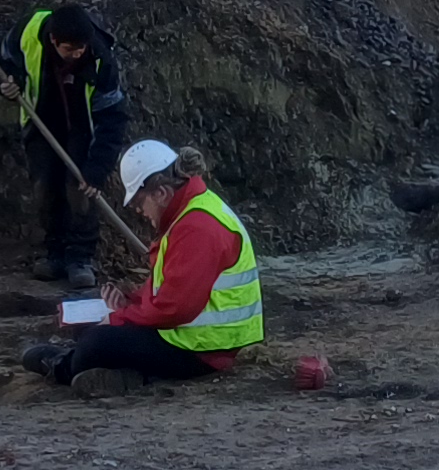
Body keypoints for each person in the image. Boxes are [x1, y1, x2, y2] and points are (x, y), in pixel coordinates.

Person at [24, 139, 261, 385]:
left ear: (161, 193)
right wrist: (131, 301)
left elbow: (174, 308)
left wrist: (119, 318)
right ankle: (103, 367)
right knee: (97, 332)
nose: (139, 211)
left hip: (204, 350)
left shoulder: (196, 228)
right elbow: (172, 290)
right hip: (198, 340)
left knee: (96, 343)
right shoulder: (192, 213)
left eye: (139, 203)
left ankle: (62, 367)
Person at [12, 2, 127, 285]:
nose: (77, 54)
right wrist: (11, 82)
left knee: (80, 192)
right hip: (42, 122)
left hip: (82, 129)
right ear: (54, 40)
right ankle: (54, 254)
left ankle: (80, 258)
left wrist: (97, 169)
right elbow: (9, 57)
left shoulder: (100, 59)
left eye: (81, 49)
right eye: (70, 49)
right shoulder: (30, 31)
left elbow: (113, 118)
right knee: (45, 189)